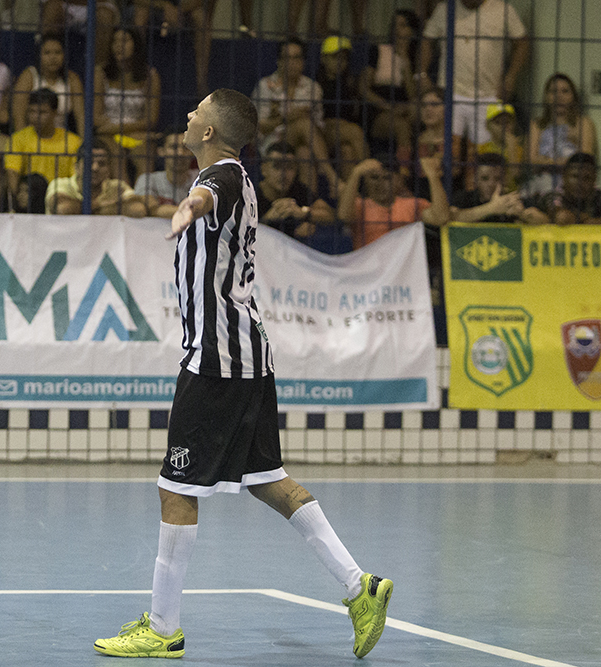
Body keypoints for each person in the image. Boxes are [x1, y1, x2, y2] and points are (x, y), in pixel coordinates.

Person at [93, 89, 393, 661]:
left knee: (176, 487)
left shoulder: (224, 177)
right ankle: (361, 587)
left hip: (217, 360)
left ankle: (162, 628)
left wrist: (187, 208)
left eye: (196, 112)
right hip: (248, 356)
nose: (186, 115)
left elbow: (210, 194)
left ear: (210, 132)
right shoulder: (237, 180)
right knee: (267, 480)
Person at [418, 0, 529, 146]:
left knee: (485, 153)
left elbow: (522, 42)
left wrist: (511, 76)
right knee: (447, 149)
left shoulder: (503, 9)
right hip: (450, 93)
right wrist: (422, 73)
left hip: (489, 94)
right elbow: (427, 40)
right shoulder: (445, 9)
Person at [252, 37, 339, 199]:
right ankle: (331, 176)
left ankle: (306, 206)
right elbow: (260, 127)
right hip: (273, 142)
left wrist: (303, 118)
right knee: (303, 123)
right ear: (279, 61)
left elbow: (319, 128)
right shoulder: (265, 85)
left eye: (296, 58)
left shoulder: (313, 88)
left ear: (303, 62)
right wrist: (289, 118)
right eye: (286, 58)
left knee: (305, 152)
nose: (291, 62)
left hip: (307, 143)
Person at [339, 154, 450, 248]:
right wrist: (355, 173)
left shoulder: (411, 204)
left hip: (401, 269)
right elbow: (344, 216)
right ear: (366, 181)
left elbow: (441, 218)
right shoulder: (359, 205)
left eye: (387, 178)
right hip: (368, 269)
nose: (380, 184)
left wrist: (433, 176)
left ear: (398, 180)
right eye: (374, 178)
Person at [93, 26, 161, 180]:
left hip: (127, 131)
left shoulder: (150, 75)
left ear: (136, 44)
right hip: (110, 135)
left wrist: (117, 128)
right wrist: (113, 130)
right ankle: (125, 200)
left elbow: (151, 120)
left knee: (145, 162)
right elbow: (96, 117)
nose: (119, 45)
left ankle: (142, 200)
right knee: (117, 160)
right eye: (115, 41)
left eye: (124, 41)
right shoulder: (101, 73)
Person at [257, 140, 347, 254]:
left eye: (289, 167)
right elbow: (240, 233)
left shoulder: (298, 189)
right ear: (264, 169)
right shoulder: (251, 193)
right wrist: (266, 221)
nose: (284, 173)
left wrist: (304, 214)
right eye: (277, 166)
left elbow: (332, 216)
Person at [3, 88, 81, 209]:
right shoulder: (18, 139)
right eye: (32, 111)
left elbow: (75, 180)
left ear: (55, 113)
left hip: (58, 199)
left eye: (42, 112)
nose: (35, 117)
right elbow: (12, 173)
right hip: (29, 200)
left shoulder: (73, 142)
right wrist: (16, 200)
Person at [360, 9, 421, 157]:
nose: (397, 30)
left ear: (412, 32)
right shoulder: (379, 50)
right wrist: (388, 107)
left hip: (404, 109)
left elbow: (413, 95)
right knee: (402, 126)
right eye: (395, 25)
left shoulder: (416, 58)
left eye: (403, 25)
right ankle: (404, 173)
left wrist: (405, 60)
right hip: (380, 110)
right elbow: (363, 89)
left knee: (417, 112)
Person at [526, 73, 597, 196]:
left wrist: (546, 162)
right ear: (546, 96)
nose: (559, 96)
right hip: (542, 184)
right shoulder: (537, 124)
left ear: (573, 96)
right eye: (553, 91)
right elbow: (531, 161)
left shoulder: (583, 123)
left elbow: (585, 161)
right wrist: (566, 162)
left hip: (575, 186)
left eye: (565, 91)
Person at [11, 33, 85, 135]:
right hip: (32, 137)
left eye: (57, 52)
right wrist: (23, 142)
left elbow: (81, 117)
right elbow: (18, 115)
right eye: (47, 53)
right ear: (39, 55)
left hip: (60, 138)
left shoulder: (72, 79)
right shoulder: (29, 76)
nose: (53, 57)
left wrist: (84, 145)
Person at [316, 35, 368, 180]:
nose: (340, 62)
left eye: (344, 58)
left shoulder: (349, 84)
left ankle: (349, 196)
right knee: (355, 131)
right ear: (324, 59)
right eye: (334, 57)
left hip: (344, 134)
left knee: (347, 151)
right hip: (325, 135)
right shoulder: (317, 85)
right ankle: (372, 180)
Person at [45, 143, 145, 217]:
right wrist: (99, 204)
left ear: (109, 169)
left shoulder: (117, 186)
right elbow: (64, 209)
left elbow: (137, 209)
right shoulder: (61, 184)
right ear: (76, 167)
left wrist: (85, 208)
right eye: (89, 162)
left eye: (102, 164)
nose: (95, 168)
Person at [523, 152, 601, 226]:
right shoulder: (552, 195)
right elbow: (561, 216)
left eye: (587, 178)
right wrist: (584, 220)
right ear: (564, 175)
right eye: (575, 176)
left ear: (594, 179)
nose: (580, 183)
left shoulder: (598, 196)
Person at [134, 129, 197, 218]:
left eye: (185, 147)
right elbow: (151, 209)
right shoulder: (148, 179)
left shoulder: (202, 178)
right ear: (161, 151)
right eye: (174, 147)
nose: (180, 153)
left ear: (192, 151)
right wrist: (195, 212)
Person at [450, 152, 527, 222]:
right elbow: (451, 217)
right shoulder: (463, 199)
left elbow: (537, 218)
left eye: (497, 178)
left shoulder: (512, 200)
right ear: (475, 179)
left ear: (505, 180)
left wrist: (522, 215)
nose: (491, 184)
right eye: (485, 178)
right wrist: (492, 208)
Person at [477, 103, 523, 192]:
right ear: (487, 125)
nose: (503, 127)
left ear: (514, 124)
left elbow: (517, 177)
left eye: (507, 122)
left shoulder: (520, 150)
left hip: (511, 194)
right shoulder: (481, 149)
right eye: (498, 122)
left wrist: (512, 148)